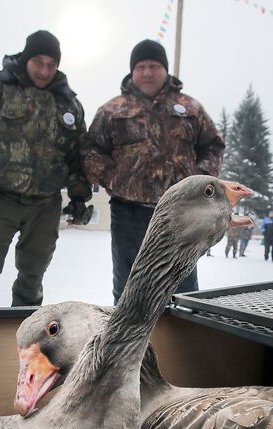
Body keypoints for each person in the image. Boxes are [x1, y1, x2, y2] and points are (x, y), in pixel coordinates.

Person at [0, 30, 91, 307]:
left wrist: (78, 196)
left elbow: (77, 155)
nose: (44, 70)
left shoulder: (69, 103)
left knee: (32, 276)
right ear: (26, 58)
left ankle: (27, 337)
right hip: (0, 198)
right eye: (38, 62)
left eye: (51, 64)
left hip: (45, 204)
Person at [83, 39, 224, 304]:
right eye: (141, 67)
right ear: (132, 71)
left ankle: (183, 338)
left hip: (181, 212)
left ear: (165, 70)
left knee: (182, 286)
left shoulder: (190, 109)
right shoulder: (112, 110)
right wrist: (113, 178)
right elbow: (91, 150)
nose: (148, 72)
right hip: (129, 212)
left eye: (155, 66)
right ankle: (126, 342)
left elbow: (213, 146)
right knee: (128, 287)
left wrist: (200, 183)